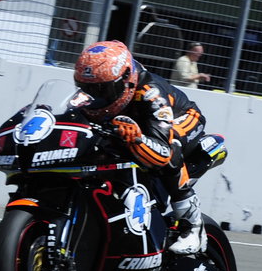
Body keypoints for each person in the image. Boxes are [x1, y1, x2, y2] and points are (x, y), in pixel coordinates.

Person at [73, 41, 212, 255]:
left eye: (103, 90)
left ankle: (192, 227)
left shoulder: (150, 94)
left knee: (171, 150)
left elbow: (162, 152)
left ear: (126, 79)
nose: (95, 96)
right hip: (138, 123)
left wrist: (137, 139)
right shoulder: (97, 92)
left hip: (180, 118)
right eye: (87, 88)